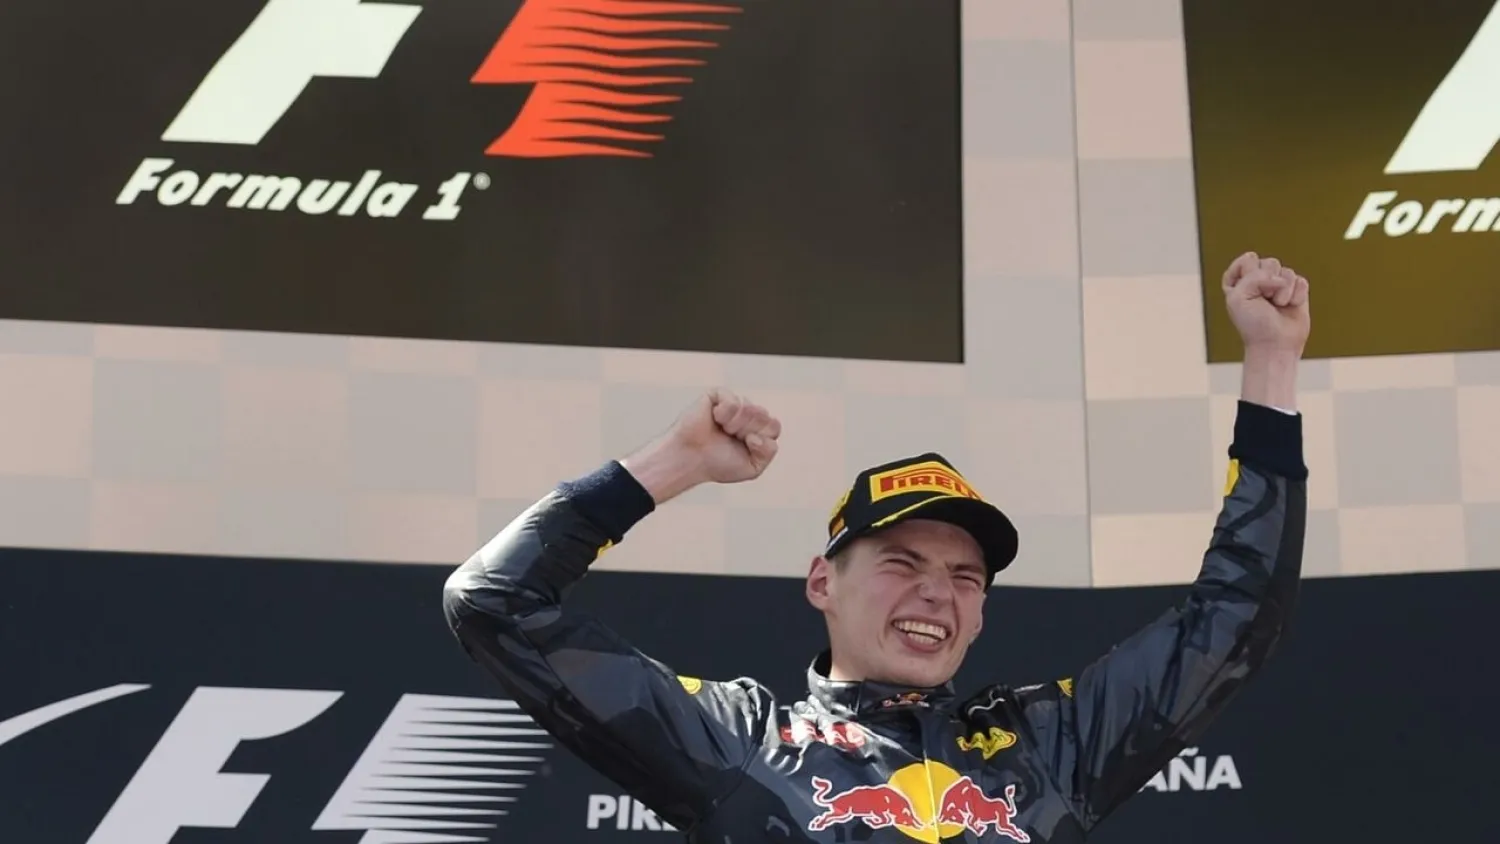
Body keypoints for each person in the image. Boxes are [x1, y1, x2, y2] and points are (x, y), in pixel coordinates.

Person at [442, 251, 1310, 843]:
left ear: (979, 615)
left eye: (966, 578)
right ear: (822, 581)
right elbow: (494, 601)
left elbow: (1234, 619)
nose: (939, 592)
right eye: (903, 563)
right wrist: (671, 465)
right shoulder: (739, 738)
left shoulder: (1049, 745)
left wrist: (1271, 368)